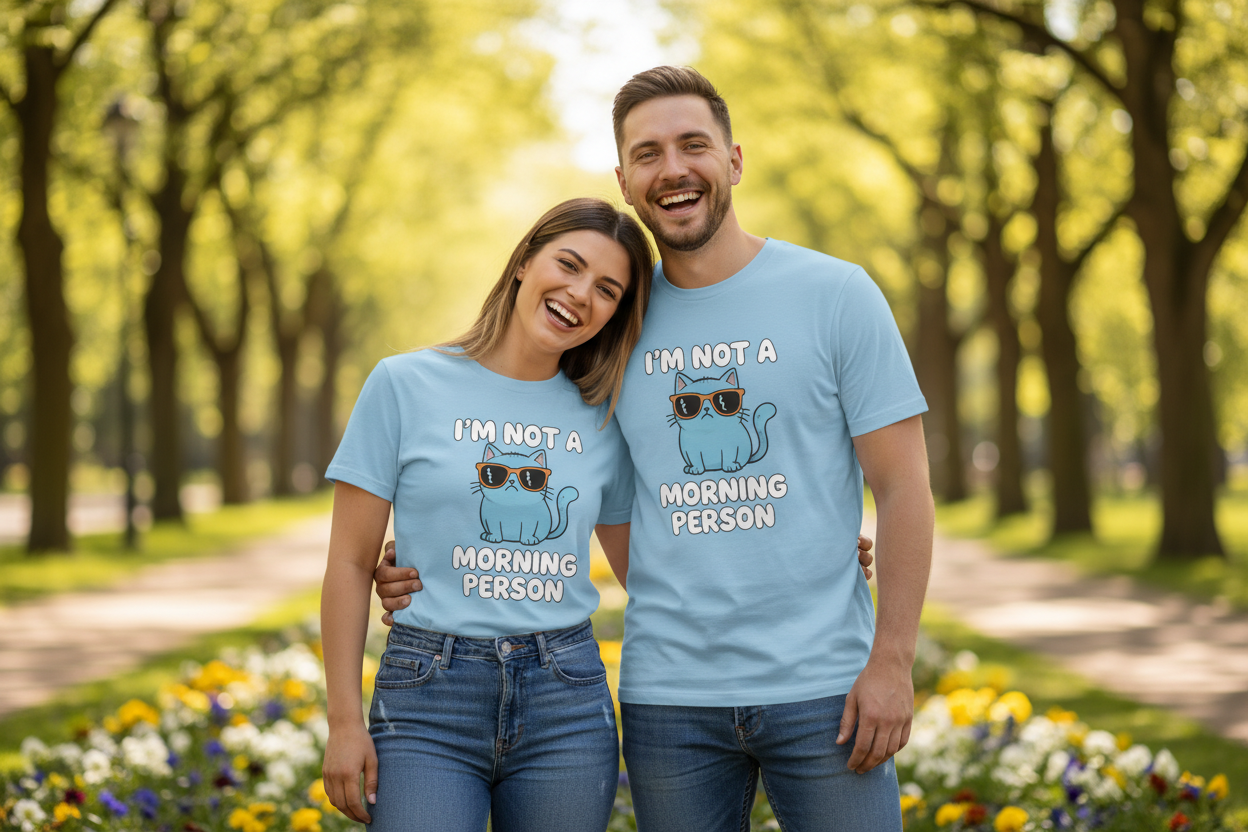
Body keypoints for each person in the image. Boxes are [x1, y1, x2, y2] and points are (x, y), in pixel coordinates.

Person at [375, 66, 934, 832]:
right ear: (627, 182)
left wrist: (892, 662)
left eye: (692, 145)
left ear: (734, 159)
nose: (672, 169)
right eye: (648, 154)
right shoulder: (610, 325)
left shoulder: (837, 295)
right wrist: (430, 556)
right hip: (670, 700)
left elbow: (905, 488)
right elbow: (535, 442)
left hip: (828, 688)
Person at [318, 197, 654, 832]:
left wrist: (806, 554)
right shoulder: (402, 384)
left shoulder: (605, 416)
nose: (580, 294)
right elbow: (348, 562)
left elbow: (654, 573)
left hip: (567, 701)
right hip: (427, 700)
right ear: (525, 261)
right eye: (569, 264)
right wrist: (343, 722)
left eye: (607, 289)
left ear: (616, 313)